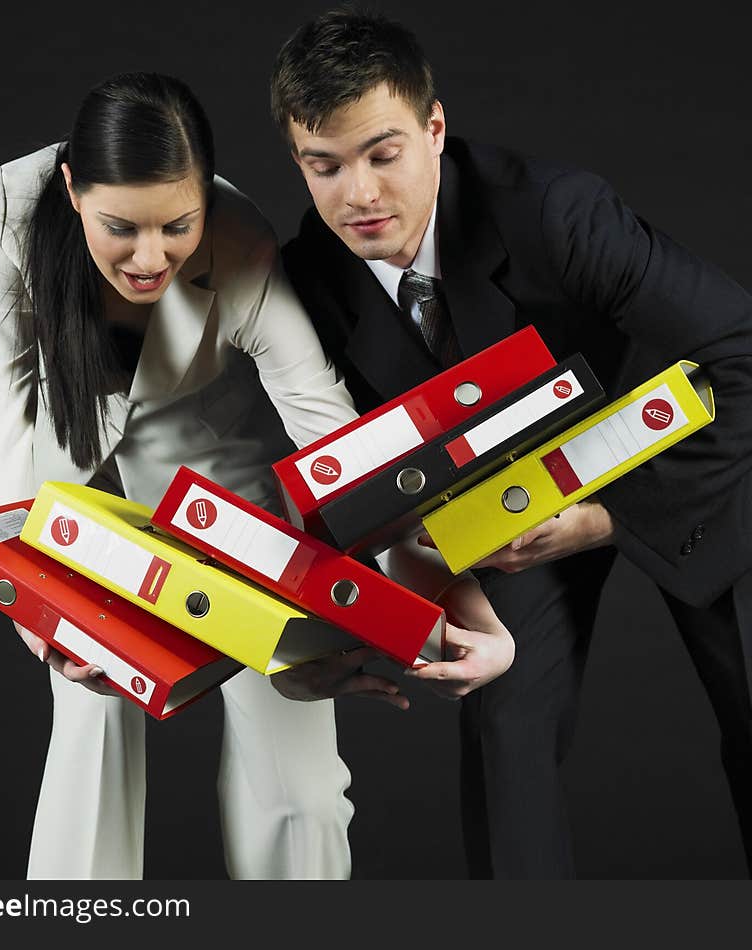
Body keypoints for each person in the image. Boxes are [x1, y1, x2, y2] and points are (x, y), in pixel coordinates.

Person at [0, 71, 512, 880]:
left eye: (178, 226)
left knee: (302, 784)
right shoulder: (6, 211)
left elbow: (331, 435)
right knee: (90, 734)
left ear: (205, 204)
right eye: (121, 227)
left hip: (222, 487)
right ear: (74, 189)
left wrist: (436, 601)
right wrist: (25, 597)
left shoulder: (241, 240)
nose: (151, 258)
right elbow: (0, 408)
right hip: (71, 486)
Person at [269, 9, 752, 878]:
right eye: (325, 166)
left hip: (687, 465)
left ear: (435, 129)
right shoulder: (313, 269)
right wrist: (307, 639)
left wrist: (602, 514)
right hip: (515, 510)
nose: (360, 195)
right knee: (503, 733)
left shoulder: (555, 212)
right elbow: (350, 464)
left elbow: (742, 353)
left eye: (383, 154)